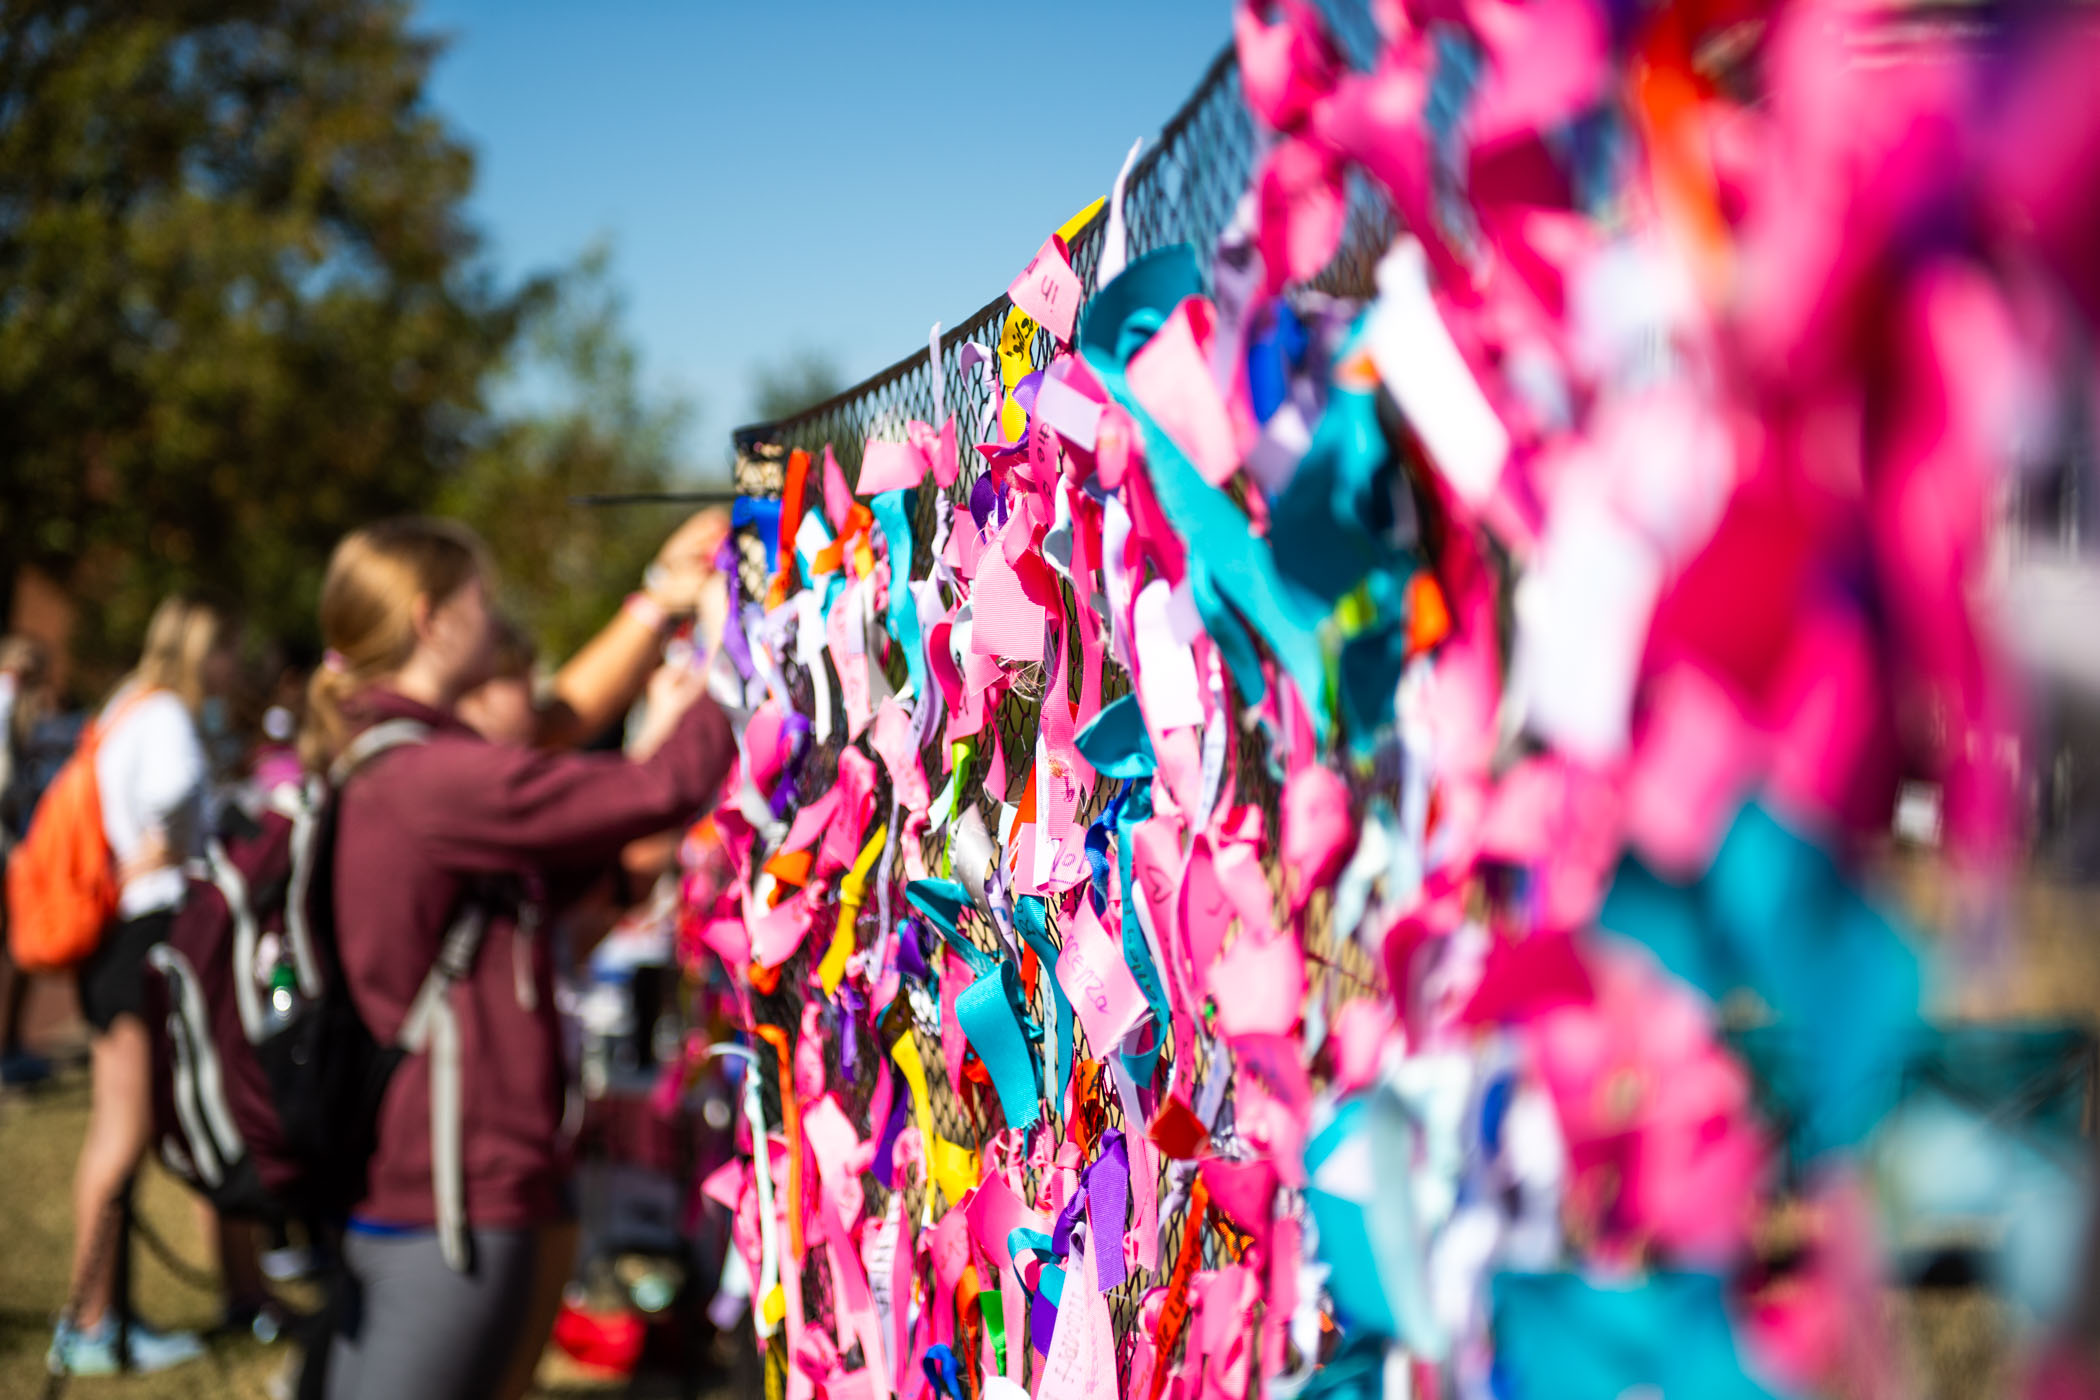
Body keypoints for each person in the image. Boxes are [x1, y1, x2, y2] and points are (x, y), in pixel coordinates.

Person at [301, 513, 734, 1400]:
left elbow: (555, 741)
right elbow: (662, 787)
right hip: (450, 1196)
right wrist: (737, 653)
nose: (499, 624)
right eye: (484, 602)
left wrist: (659, 606)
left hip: (425, 1178)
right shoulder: (430, 777)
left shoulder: (390, 754)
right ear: (431, 620)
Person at [46, 595, 247, 1374]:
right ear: (205, 648)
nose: (235, 666)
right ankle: (90, 1322)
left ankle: (103, 1315)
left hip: (123, 940)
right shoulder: (164, 715)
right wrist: (163, 855)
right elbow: (165, 809)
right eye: (228, 649)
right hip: (146, 938)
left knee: (127, 1124)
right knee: (122, 1129)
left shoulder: (126, 705)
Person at [0, 634, 55, 1086]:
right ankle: (9, 1047)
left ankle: (13, 1045)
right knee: (18, 941)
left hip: (12, 837)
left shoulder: (15, 706)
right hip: (7, 841)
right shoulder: (7, 701)